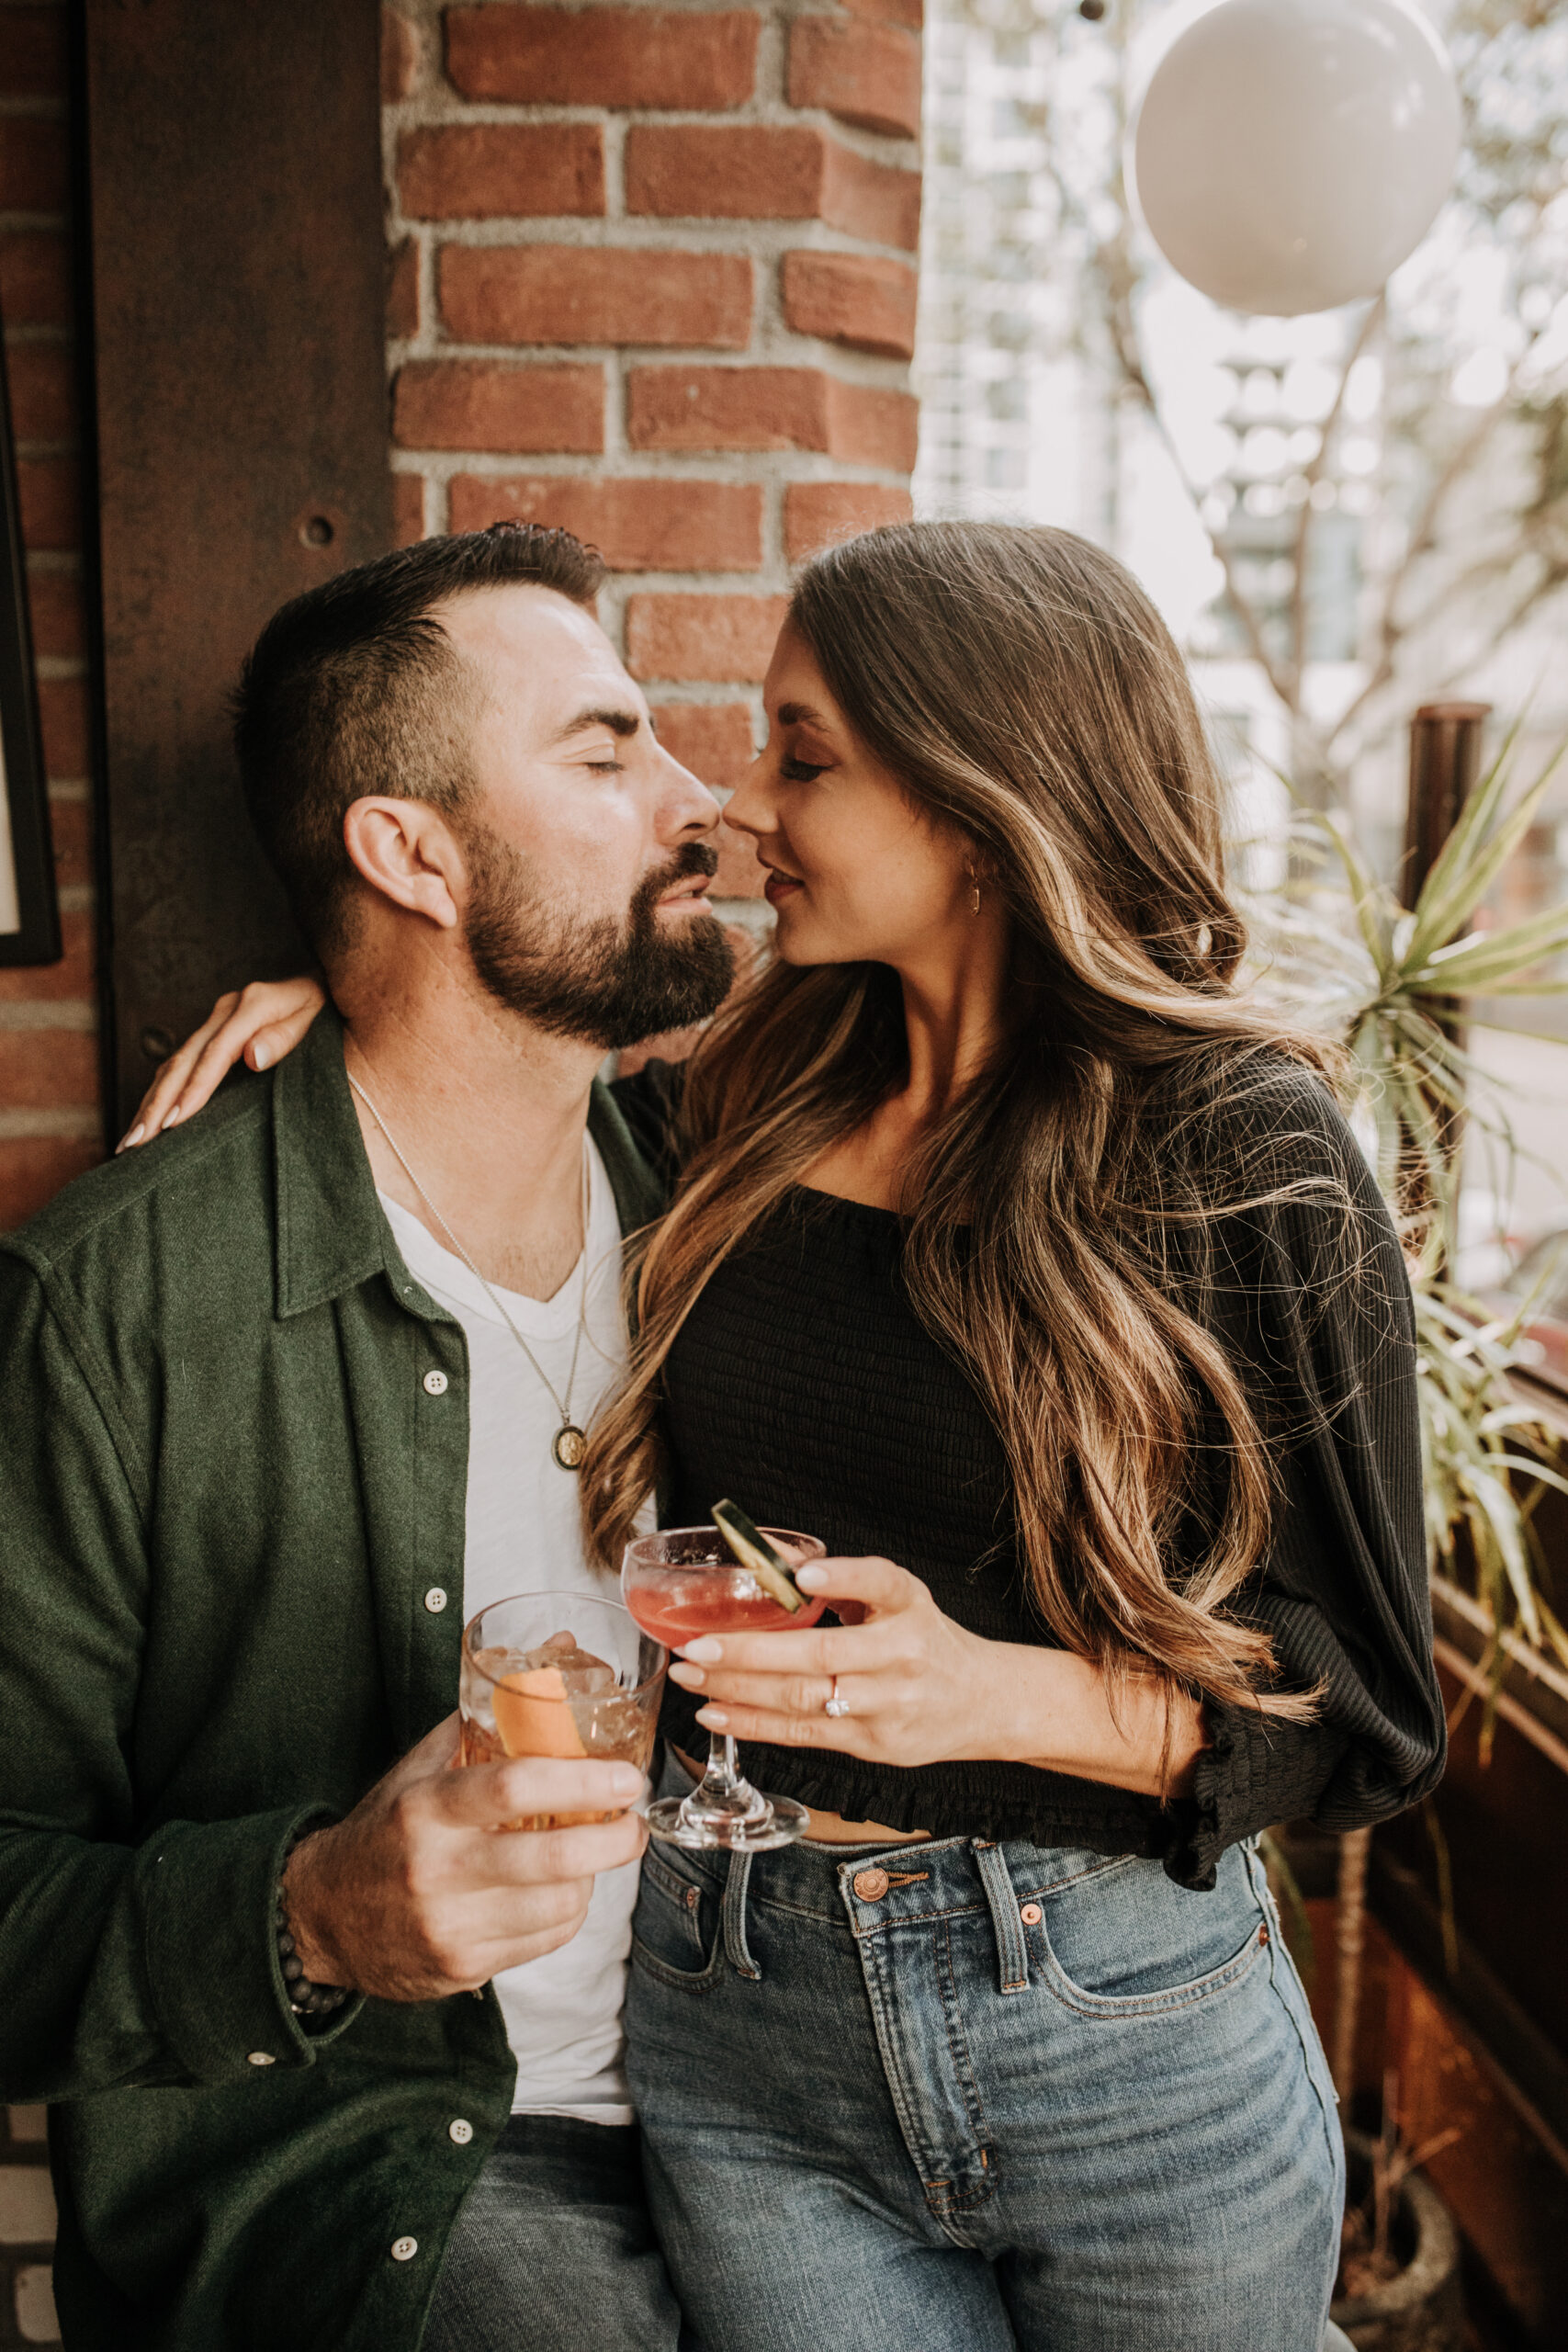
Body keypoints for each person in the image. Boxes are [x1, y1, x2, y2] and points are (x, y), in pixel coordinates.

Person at [133, 521, 1446, 2352]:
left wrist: (982, 1693)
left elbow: (1366, 1707)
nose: (741, 807)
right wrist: (355, 1018)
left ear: (981, 805)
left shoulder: (1246, 1151)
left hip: (1115, 2024)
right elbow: (486, 1028)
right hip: (741, 2027)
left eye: (799, 755)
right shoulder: (751, 1094)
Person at [0, 522, 735, 2352]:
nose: (693, 800)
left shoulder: (731, 1213)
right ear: (408, 850)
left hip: (775, 2115)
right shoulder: (108, 1303)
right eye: (605, 748)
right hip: (396, 2172)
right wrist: (308, 1910)